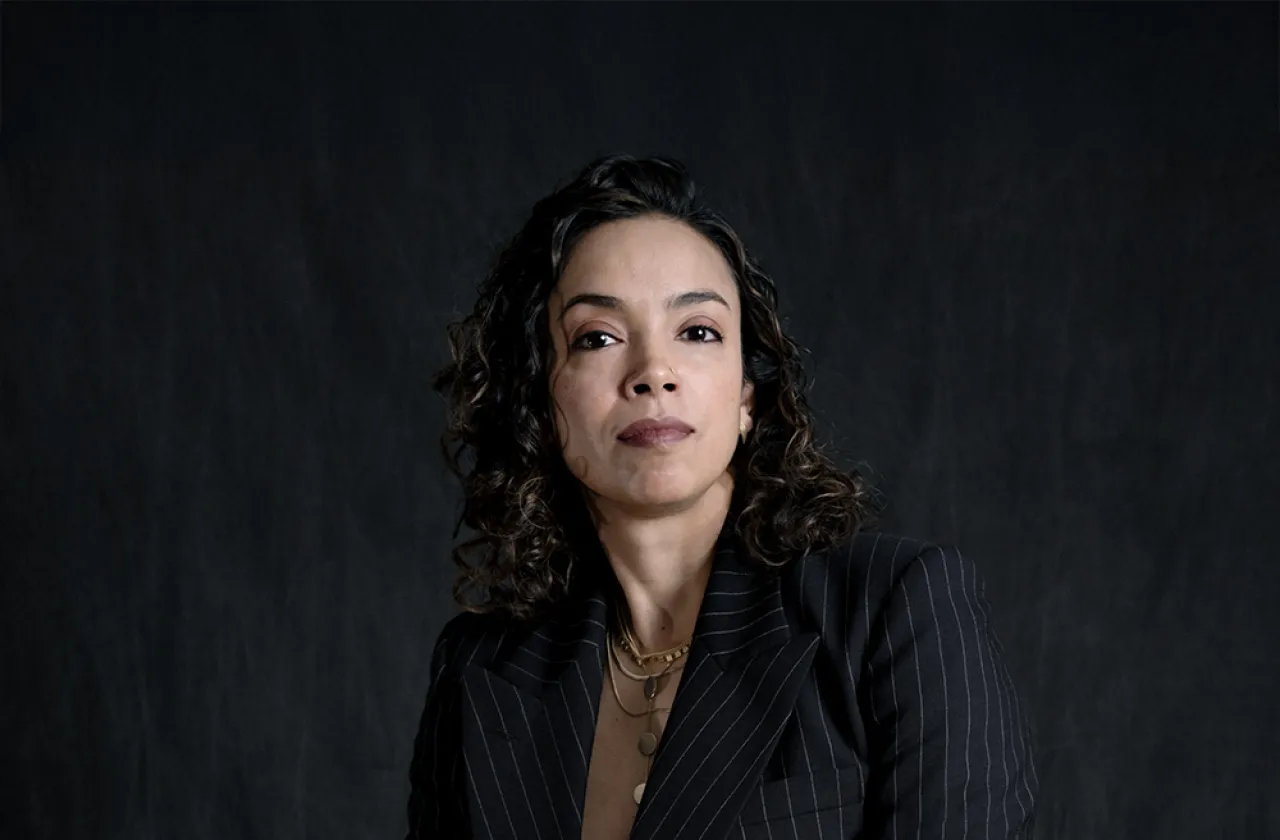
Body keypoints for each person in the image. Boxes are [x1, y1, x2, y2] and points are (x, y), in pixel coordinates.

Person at [405, 155, 1037, 840]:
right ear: (537, 396)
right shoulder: (478, 665)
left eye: (698, 331)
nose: (654, 372)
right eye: (598, 338)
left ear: (746, 395)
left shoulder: (894, 609)